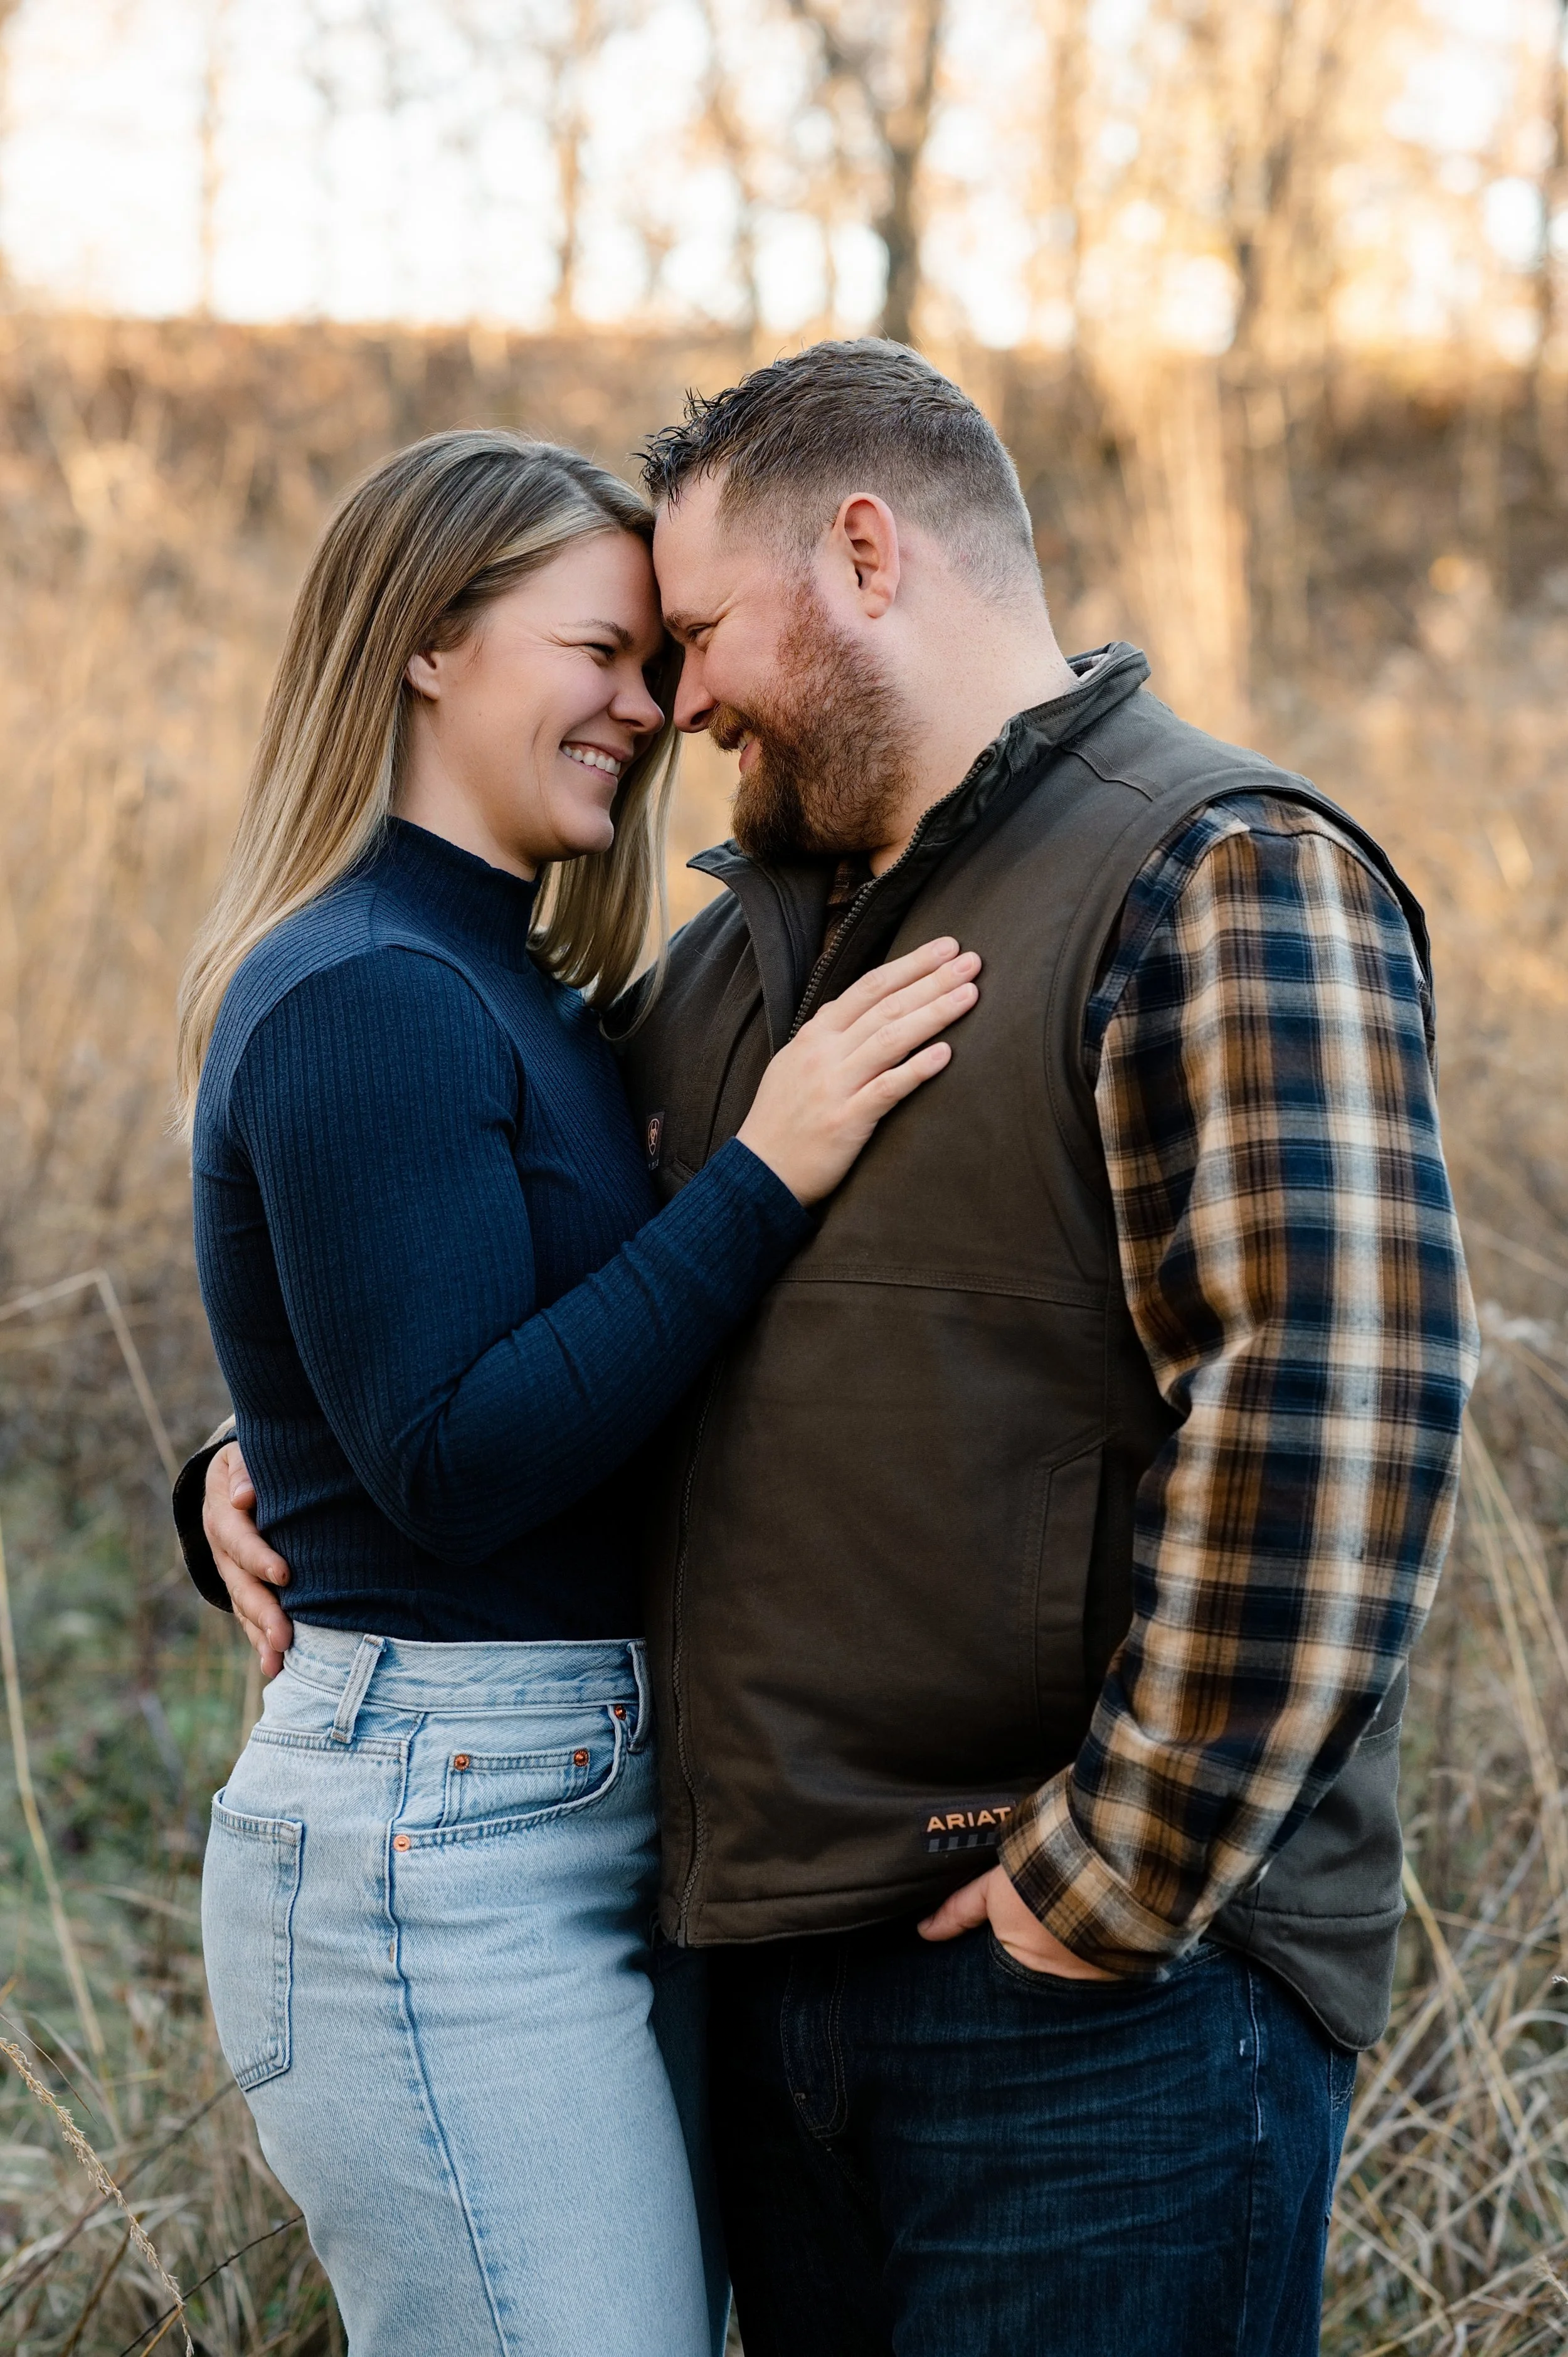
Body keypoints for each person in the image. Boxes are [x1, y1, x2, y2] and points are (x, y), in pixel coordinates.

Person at [183, 348, 1478, 2357]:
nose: (680, 703)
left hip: (1081, 2004)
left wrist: (1110, 1879)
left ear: (864, 553)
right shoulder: (736, 962)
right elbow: (481, 1283)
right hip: (771, 1971)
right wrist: (257, 1458)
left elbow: (1332, 1404)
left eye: (693, 633)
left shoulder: (1212, 871)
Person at [175, 425, 980, 2357]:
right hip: (436, 1849)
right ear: (426, 644)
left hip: (558, 1806)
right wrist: (760, 1175)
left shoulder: (507, 985)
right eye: (595, 652)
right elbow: (448, 1460)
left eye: (656, 659)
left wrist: (237, 1461)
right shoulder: (369, 984)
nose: (648, 708)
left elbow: (389, 1358)